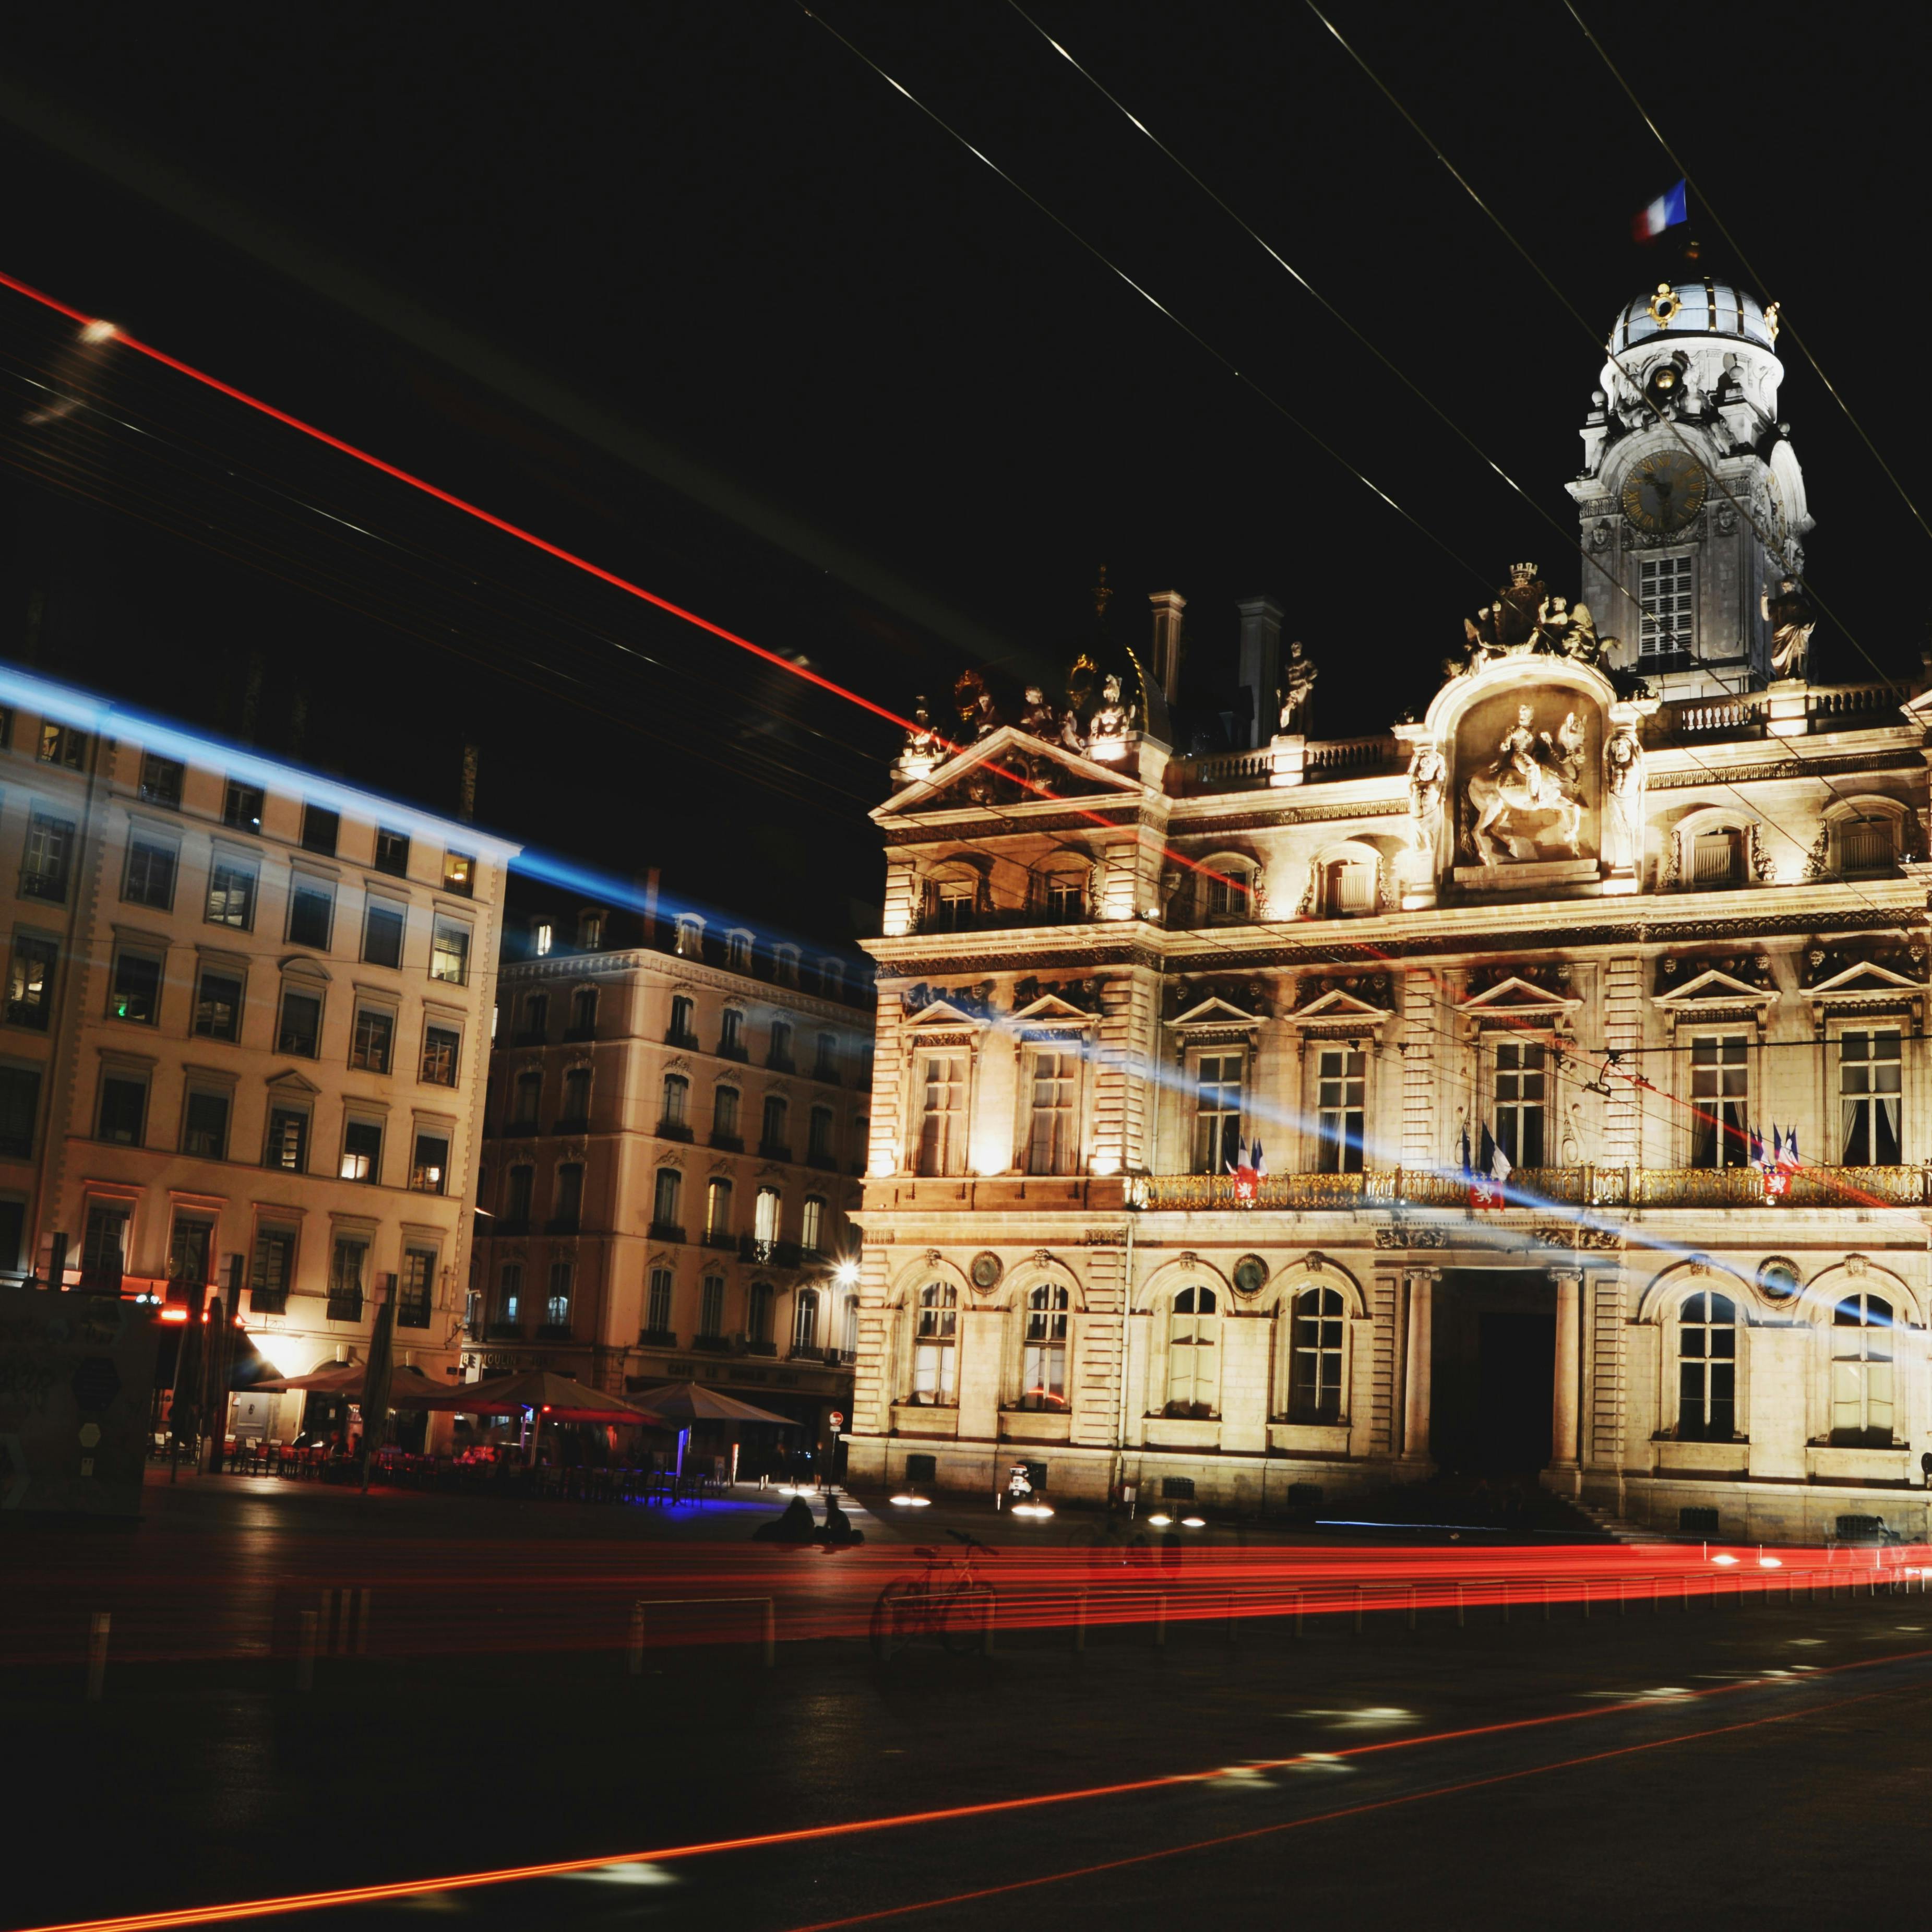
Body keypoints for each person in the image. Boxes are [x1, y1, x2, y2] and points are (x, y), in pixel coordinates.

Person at [754, 1495, 818, 1543]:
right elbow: (812, 1524)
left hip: (791, 1534)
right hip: (802, 1535)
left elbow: (784, 1521)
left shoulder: (792, 1510)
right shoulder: (806, 1510)